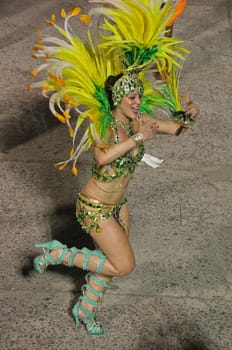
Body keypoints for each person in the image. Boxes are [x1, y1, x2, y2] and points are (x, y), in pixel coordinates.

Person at [30, 1, 199, 336]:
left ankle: (85, 308)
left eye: (139, 95)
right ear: (117, 100)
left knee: (111, 263)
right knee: (124, 264)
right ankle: (59, 254)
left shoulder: (142, 120)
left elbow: (177, 129)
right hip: (94, 207)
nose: (138, 101)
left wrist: (189, 115)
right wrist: (138, 136)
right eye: (131, 97)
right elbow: (104, 157)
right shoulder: (104, 126)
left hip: (118, 205)